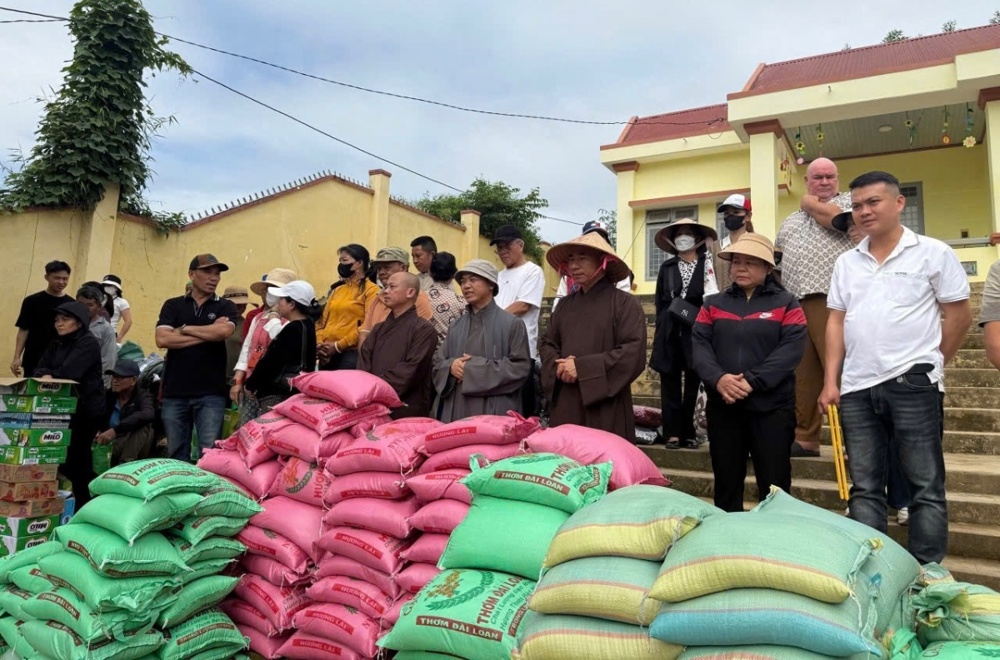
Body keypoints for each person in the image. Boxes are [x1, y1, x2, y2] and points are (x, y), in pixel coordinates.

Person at [818, 171, 971, 564]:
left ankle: (926, 573)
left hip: (913, 385)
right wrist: (830, 380)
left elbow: (958, 316)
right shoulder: (847, 263)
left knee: (925, 486)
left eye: (874, 202)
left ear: (899, 203)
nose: (864, 212)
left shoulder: (933, 253)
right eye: (857, 205)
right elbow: (836, 321)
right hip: (855, 389)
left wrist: (931, 364)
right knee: (865, 487)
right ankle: (876, 571)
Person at [692, 234, 807, 511]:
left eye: (751, 263)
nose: (741, 268)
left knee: (775, 483)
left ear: (768, 268)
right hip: (724, 406)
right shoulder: (712, 304)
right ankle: (728, 541)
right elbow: (699, 345)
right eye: (736, 262)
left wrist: (752, 381)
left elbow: (790, 350)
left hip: (772, 408)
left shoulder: (788, 303)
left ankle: (773, 542)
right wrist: (719, 379)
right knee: (727, 480)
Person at [775, 157, 855, 457]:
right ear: (807, 180)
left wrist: (808, 203)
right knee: (803, 373)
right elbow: (779, 258)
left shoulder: (848, 203)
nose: (824, 182)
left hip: (832, 299)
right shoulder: (791, 220)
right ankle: (806, 436)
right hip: (795, 300)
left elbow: (834, 218)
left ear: (837, 179)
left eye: (829, 177)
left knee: (842, 370)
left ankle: (855, 438)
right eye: (817, 177)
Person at [841, 213, 912, 526]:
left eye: (858, 225)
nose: (856, 232)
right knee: (863, 445)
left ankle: (902, 500)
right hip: (858, 370)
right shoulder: (845, 265)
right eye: (851, 229)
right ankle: (867, 501)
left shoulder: (905, 261)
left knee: (898, 441)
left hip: (900, 369)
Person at [540, 231, 647, 440]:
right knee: (566, 462)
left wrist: (582, 368)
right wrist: (560, 365)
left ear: (603, 261)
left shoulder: (625, 303)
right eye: (570, 259)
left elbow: (632, 353)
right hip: (567, 400)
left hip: (606, 404)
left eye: (581, 258)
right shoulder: (563, 305)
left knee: (605, 464)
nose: (573, 266)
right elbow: (547, 342)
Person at [155, 254, 238, 461]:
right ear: (192, 274)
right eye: (207, 272)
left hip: (211, 393)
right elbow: (162, 339)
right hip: (175, 392)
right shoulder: (173, 305)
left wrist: (183, 330)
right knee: (176, 453)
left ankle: (206, 494)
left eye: (217, 274)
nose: (214, 278)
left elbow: (223, 333)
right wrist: (208, 333)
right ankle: (179, 492)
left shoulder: (225, 306)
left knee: (209, 454)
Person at [432, 259, 531, 422]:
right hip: (456, 407)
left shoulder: (512, 324)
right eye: (463, 282)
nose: (466, 286)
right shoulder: (455, 326)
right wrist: (451, 366)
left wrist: (471, 370)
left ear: (491, 284)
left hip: (493, 409)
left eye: (473, 279)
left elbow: (520, 367)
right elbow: (437, 362)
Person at [649, 219, 719, 448]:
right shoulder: (667, 267)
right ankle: (672, 433)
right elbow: (660, 301)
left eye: (688, 232)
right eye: (679, 233)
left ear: (698, 238)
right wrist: (660, 330)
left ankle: (689, 433)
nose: (683, 236)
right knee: (669, 383)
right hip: (669, 329)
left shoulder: (707, 264)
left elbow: (712, 298)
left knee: (693, 382)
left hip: (696, 330)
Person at [33, 301, 103, 507]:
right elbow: (38, 369)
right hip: (62, 409)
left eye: (65, 320)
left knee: (78, 460)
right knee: (64, 460)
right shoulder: (57, 343)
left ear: (79, 322)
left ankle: (89, 502)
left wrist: (50, 374)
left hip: (85, 410)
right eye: (57, 320)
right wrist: (47, 373)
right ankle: (77, 501)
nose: (59, 324)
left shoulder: (88, 343)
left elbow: (70, 373)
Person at [358, 272, 438, 418]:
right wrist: (367, 391)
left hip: (406, 407)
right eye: (385, 286)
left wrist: (376, 389)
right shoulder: (378, 329)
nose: (385, 291)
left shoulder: (424, 330)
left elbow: (411, 370)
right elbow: (364, 361)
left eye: (392, 287)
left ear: (410, 292)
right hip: (371, 404)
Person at [491, 225, 545, 416]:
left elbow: (523, 305)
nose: (503, 251)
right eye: (499, 247)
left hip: (521, 349)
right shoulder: (498, 275)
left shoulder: (533, 271)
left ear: (520, 245)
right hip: (497, 348)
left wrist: (491, 322)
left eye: (507, 245)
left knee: (522, 407)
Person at [244, 280, 319, 415]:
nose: (278, 303)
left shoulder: (292, 329)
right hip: (295, 391)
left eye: (282, 299)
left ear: (291, 304)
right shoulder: (308, 325)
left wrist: (251, 384)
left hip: (277, 393)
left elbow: (272, 361)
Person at [232, 268, 298, 417]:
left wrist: (274, 316)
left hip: (274, 387)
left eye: (275, 289)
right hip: (251, 384)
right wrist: (237, 382)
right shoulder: (258, 318)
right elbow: (247, 350)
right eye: (269, 289)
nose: (270, 292)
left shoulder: (292, 321)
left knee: (268, 427)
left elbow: (279, 341)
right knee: (247, 429)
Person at [316, 245, 379, 370]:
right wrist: (320, 344)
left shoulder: (371, 290)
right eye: (340, 261)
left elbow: (368, 324)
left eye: (344, 261)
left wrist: (338, 346)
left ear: (359, 263)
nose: (341, 265)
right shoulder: (337, 290)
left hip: (350, 353)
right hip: (326, 352)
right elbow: (322, 322)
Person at [358, 247, 433, 347]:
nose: (381, 272)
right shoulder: (377, 298)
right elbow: (365, 333)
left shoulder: (417, 298)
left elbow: (414, 340)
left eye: (387, 267)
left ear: (403, 268)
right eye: (379, 268)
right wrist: (365, 360)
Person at [12, 260, 74, 377]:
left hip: (60, 361)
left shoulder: (71, 304)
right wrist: (16, 357)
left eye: (65, 279)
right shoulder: (31, 301)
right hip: (33, 358)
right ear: (47, 277)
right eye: (57, 278)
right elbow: (24, 330)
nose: (61, 282)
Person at [551, 220, 631, 311]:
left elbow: (622, 306)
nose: (574, 266)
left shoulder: (620, 278)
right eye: (589, 238)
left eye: (600, 239)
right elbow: (557, 309)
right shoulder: (567, 278)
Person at [95, 360, 155, 466]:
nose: (115, 381)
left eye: (120, 377)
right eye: (114, 377)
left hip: (133, 445)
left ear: (133, 380)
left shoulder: (143, 396)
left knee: (143, 426)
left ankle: (126, 464)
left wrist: (116, 430)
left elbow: (147, 414)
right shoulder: (108, 395)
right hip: (109, 443)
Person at [76, 285, 117, 386]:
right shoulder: (68, 324)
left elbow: (108, 361)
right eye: (81, 304)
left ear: (99, 307)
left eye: (90, 305)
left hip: (92, 385)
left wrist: (102, 386)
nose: (84, 308)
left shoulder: (106, 329)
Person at [712, 194, 754, 291]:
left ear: (748, 216)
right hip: (721, 303)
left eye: (736, 212)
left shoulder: (756, 245)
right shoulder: (714, 248)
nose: (731, 216)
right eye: (727, 213)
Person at [425, 252, 467, 347]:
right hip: (452, 358)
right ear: (454, 275)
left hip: (424, 356)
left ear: (429, 272)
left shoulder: (419, 299)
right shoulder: (461, 302)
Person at [222, 286, 253, 389]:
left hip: (235, 379)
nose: (240, 308)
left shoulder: (246, 325)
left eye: (243, 305)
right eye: (236, 305)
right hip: (212, 377)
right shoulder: (214, 321)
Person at [101, 275, 133, 343]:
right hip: (97, 331)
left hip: (111, 333)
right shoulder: (100, 299)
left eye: (109, 285)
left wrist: (119, 337)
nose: (106, 287)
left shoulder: (122, 302)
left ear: (116, 288)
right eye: (104, 285)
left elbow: (128, 321)